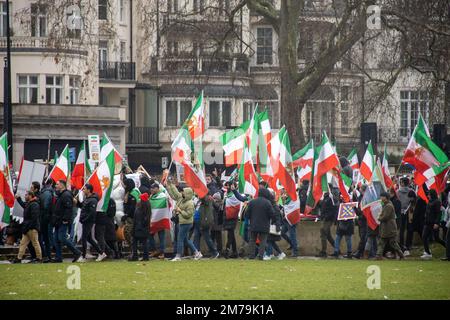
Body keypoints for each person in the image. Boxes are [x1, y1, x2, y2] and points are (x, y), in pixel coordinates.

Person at [166, 178, 202, 261]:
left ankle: (178, 256)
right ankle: (197, 253)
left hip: (186, 223)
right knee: (186, 239)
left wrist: (180, 211)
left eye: (183, 192)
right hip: (183, 222)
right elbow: (174, 193)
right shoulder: (182, 198)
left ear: (187, 194)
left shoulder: (190, 203)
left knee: (180, 239)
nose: (181, 193)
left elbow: (189, 215)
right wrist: (170, 185)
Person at [52, 180, 81, 263]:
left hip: (62, 221)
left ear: (62, 186)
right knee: (56, 239)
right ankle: (58, 257)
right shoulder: (62, 195)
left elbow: (68, 209)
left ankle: (77, 252)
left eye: (57, 184)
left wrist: (65, 220)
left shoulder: (66, 195)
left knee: (62, 238)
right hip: (58, 221)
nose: (55, 186)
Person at [76, 184, 106, 262]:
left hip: (88, 222)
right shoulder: (87, 199)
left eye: (84, 189)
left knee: (84, 238)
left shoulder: (93, 200)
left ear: (89, 190)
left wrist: (85, 219)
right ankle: (101, 253)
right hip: (85, 221)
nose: (83, 190)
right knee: (89, 239)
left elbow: (92, 213)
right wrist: (77, 203)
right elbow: (83, 206)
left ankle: (83, 256)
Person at [12, 191, 42, 263]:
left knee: (35, 243)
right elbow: (24, 205)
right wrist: (18, 198)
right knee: (23, 243)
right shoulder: (30, 203)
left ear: (30, 196)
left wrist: (28, 227)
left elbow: (34, 218)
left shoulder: (34, 204)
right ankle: (19, 258)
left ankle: (39, 258)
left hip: (31, 228)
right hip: (28, 228)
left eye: (26, 195)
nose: (25, 196)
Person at [246, 188, 276, 260]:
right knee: (263, 241)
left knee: (252, 240)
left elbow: (247, 214)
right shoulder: (267, 202)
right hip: (264, 225)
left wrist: (251, 219)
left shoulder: (252, 202)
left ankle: (251, 255)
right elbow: (272, 214)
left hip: (253, 224)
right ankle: (260, 256)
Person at [376, 192, 404, 260]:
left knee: (393, 242)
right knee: (382, 242)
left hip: (389, 227)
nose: (381, 198)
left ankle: (401, 255)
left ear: (386, 197)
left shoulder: (389, 206)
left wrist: (379, 218)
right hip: (386, 227)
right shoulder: (386, 205)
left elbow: (385, 217)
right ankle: (378, 256)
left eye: (382, 196)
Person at [223, 182, 247, 258]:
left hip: (233, 216)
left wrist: (234, 190)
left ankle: (227, 250)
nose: (227, 187)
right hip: (227, 216)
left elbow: (242, 199)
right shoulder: (227, 194)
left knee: (230, 235)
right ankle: (234, 252)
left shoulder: (235, 195)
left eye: (228, 185)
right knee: (231, 234)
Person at [421, 189, 446, 259]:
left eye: (429, 194)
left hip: (434, 223)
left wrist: (437, 223)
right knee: (424, 236)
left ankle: (447, 247)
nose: (428, 195)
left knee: (437, 238)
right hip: (427, 222)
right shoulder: (430, 201)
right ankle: (427, 252)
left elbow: (439, 213)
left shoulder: (437, 202)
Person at [129, 193, 151, 261]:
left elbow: (135, 220)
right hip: (144, 228)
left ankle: (135, 256)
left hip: (138, 228)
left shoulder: (138, 209)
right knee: (144, 243)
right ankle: (145, 256)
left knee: (134, 242)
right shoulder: (147, 208)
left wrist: (133, 229)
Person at [148, 183, 168, 259]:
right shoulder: (152, 196)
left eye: (153, 188)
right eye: (151, 188)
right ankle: (154, 250)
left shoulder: (162, 196)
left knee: (161, 237)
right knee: (150, 235)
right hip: (153, 219)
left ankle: (162, 253)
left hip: (160, 219)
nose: (151, 190)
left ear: (157, 188)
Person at [264, 189, 285, 260]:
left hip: (273, 225)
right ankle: (280, 253)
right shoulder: (273, 204)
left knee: (269, 240)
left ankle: (268, 254)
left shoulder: (273, 205)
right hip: (272, 225)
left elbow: (277, 217)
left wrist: (277, 226)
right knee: (271, 241)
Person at [197, 193, 219, 258]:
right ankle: (214, 252)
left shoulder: (207, 199)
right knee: (207, 238)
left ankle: (215, 252)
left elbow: (203, 199)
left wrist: (200, 192)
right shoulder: (208, 200)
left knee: (207, 238)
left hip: (205, 221)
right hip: (204, 221)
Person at [121, 178, 140, 253]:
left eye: (125, 184)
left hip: (132, 217)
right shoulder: (128, 193)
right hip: (129, 216)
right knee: (128, 233)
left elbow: (133, 206)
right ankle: (133, 250)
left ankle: (135, 250)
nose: (124, 186)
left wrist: (127, 214)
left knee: (128, 232)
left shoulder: (133, 193)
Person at [317, 189, 338, 257]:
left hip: (328, 219)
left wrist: (327, 216)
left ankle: (323, 251)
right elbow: (323, 206)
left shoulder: (331, 198)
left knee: (323, 233)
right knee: (328, 236)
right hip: (325, 219)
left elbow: (334, 209)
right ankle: (337, 249)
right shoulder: (325, 198)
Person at [280, 189, 299, 257]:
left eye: (284, 190)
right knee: (282, 232)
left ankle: (295, 251)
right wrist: (283, 199)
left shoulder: (293, 196)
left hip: (291, 218)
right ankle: (292, 244)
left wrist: (284, 198)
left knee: (292, 235)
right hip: (287, 219)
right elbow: (285, 206)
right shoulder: (289, 197)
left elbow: (287, 206)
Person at [39, 179, 54, 263]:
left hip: (44, 218)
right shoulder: (48, 193)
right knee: (46, 238)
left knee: (44, 238)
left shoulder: (44, 192)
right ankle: (46, 255)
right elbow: (45, 206)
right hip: (46, 218)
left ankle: (46, 255)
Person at [397, 178, 412, 251]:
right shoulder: (411, 191)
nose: (400, 183)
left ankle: (401, 245)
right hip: (409, 212)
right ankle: (408, 245)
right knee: (409, 229)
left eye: (401, 182)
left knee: (402, 229)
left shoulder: (398, 192)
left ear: (403, 183)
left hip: (401, 212)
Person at [353, 185, 367, 259]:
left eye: (361, 188)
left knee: (363, 237)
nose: (359, 189)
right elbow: (358, 211)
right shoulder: (359, 198)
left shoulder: (367, 198)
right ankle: (361, 252)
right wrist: (354, 208)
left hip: (365, 221)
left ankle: (360, 252)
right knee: (361, 236)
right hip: (360, 221)